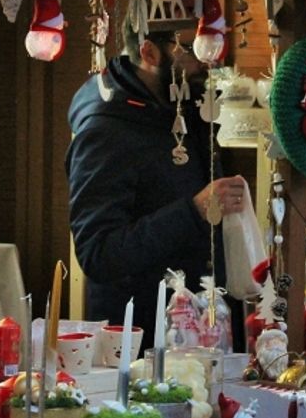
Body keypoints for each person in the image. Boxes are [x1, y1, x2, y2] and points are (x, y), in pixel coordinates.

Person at [67, 20, 248, 350]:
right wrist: (193, 212)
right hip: (142, 344)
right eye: (193, 49)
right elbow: (99, 253)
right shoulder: (105, 131)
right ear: (148, 51)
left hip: (201, 331)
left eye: (211, 46)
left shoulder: (182, 105)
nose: (207, 60)